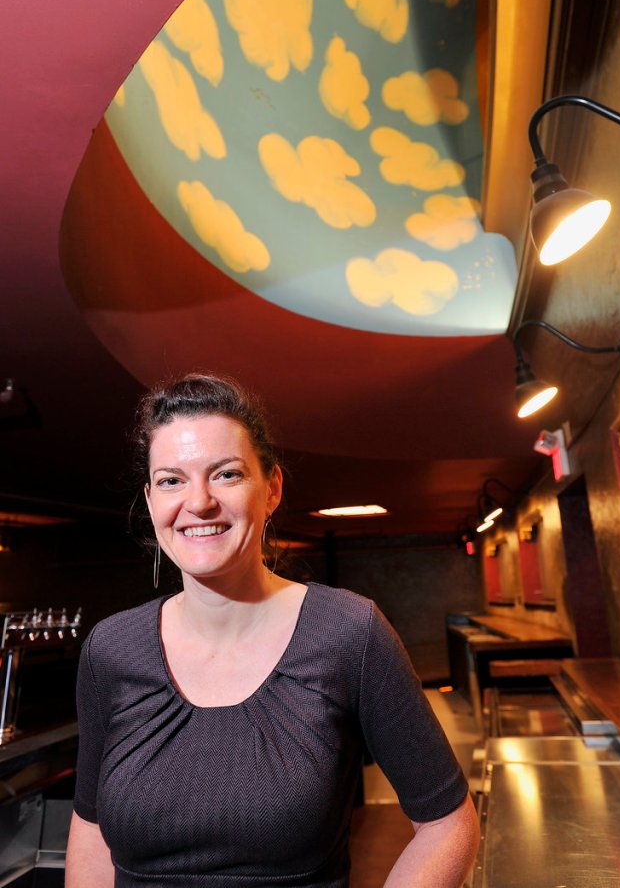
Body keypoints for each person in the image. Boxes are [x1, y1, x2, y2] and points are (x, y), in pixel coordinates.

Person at [65, 374, 480, 888]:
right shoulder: (110, 649)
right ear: (151, 502)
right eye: (172, 480)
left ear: (272, 489)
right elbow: (90, 828)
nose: (198, 503)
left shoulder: (350, 632)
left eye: (226, 474)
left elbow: (446, 823)